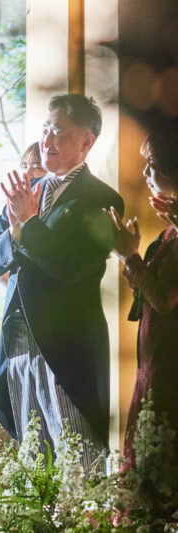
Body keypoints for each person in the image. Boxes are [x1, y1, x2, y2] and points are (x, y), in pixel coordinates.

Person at [0, 94, 122, 471]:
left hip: (67, 349)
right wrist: (14, 229)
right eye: (45, 129)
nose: (46, 140)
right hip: (19, 346)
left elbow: (70, 265)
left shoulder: (103, 200)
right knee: (35, 463)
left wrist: (27, 223)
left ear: (86, 142)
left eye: (58, 131)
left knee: (79, 462)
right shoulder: (29, 191)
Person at [109, 126, 178, 463]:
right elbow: (148, 293)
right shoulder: (169, 229)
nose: (145, 174)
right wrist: (133, 258)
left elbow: (166, 300)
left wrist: (130, 256)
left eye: (152, 164)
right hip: (153, 362)